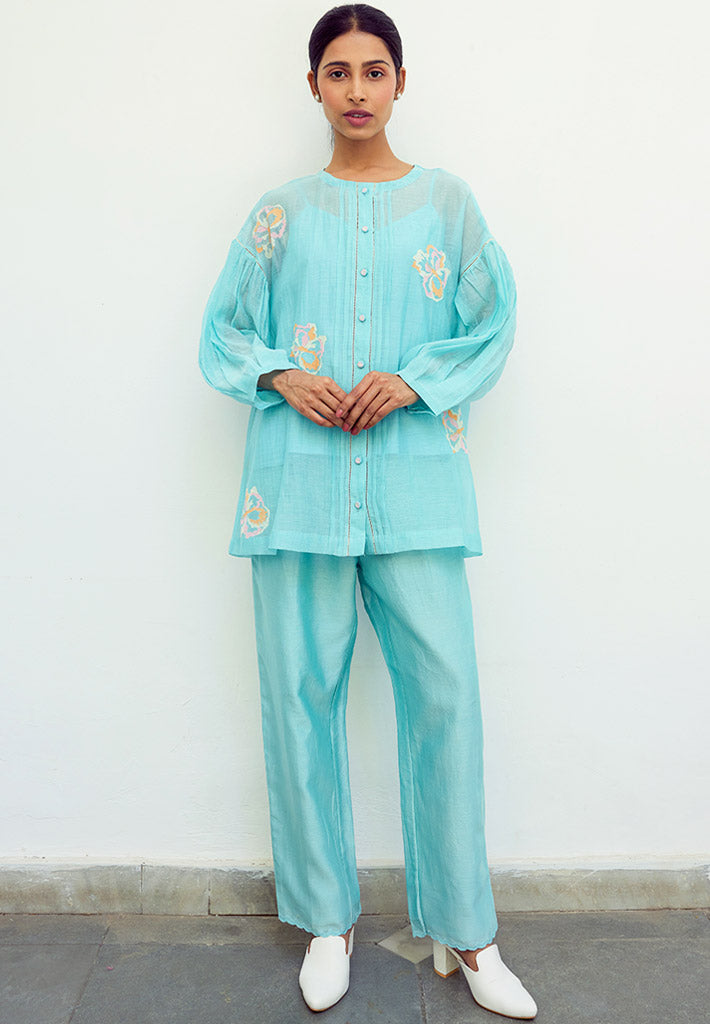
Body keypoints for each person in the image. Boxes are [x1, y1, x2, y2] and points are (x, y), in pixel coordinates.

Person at [198, 4, 537, 1017]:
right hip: (298, 485)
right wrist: (280, 374)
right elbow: (222, 332)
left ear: (400, 82)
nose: (356, 89)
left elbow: (494, 319)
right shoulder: (280, 213)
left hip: (415, 485)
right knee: (299, 697)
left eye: (373, 70)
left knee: (447, 698)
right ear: (313, 85)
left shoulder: (447, 205)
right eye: (338, 71)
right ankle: (326, 922)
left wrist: (416, 379)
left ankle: (467, 935)